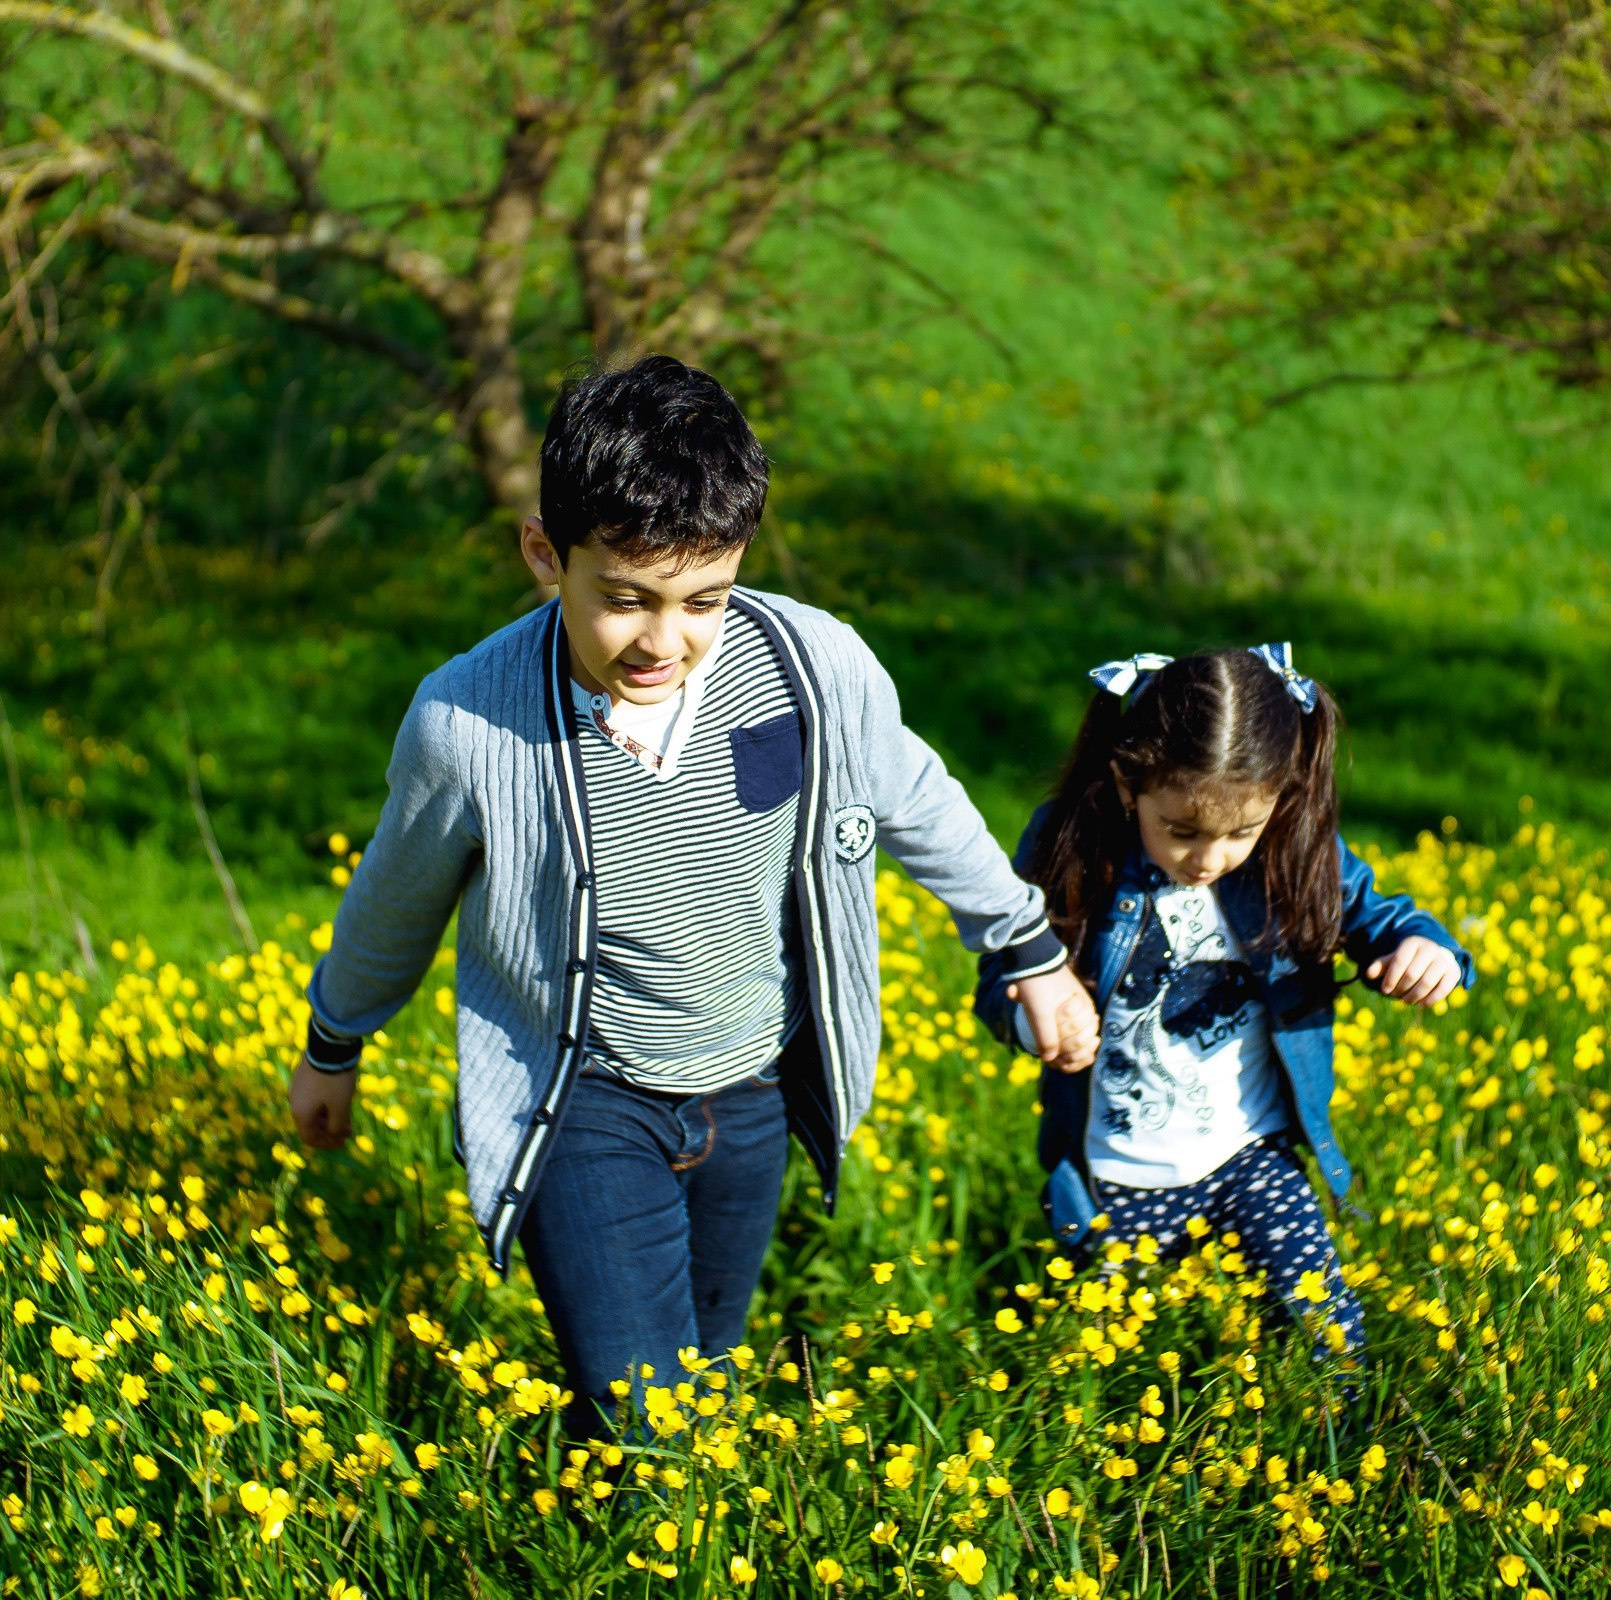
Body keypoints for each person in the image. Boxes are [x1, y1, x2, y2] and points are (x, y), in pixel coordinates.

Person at [290, 355, 1097, 1437]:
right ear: (546, 553)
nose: (663, 642)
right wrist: (334, 1041)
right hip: (583, 1096)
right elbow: (396, 896)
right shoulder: (467, 723)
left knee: (702, 1388)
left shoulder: (815, 671)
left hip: (753, 1087)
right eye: (623, 600)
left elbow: (917, 799)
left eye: (700, 600)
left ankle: (618, 1528)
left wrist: (1028, 950)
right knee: (642, 1406)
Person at [974, 645, 1471, 1365]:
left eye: (1242, 831)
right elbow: (1004, 979)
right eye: (1182, 830)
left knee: (1324, 1331)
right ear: (1126, 783)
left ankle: (1346, 1437)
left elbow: (1382, 918)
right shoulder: (1072, 849)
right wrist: (1033, 1017)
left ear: (1279, 795)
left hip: (1252, 1155)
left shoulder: (1295, 852)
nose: (1211, 858)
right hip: (1118, 1172)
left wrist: (1428, 951)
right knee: (1108, 1374)